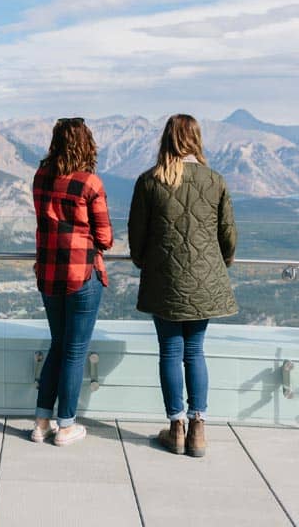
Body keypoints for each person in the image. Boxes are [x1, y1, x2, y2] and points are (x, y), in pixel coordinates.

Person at [128, 114, 237, 457]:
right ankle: (199, 428)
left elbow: (136, 238)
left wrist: (149, 263)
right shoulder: (214, 180)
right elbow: (228, 235)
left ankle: (176, 427)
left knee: (170, 352)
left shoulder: (149, 181)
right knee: (195, 351)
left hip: (164, 279)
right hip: (205, 280)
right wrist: (218, 264)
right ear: (196, 140)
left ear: (166, 140)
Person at [31, 117, 113, 446]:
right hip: (81, 274)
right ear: (86, 143)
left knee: (57, 344)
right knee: (75, 350)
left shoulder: (40, 178)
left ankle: (41, 422)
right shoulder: (89, 182)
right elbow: (105, 238)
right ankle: (66, 426)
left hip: (49, 274)